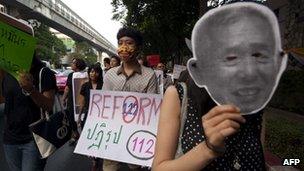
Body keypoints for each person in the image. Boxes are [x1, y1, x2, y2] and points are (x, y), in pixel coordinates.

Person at [152, 2, 284, 170]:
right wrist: (208, 149)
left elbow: (259, 154)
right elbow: (159, 167)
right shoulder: (178, 95)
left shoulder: (257, 104)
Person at [187, 2, 287, 114]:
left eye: (259, 55)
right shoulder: (182, 99)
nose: (250, 72)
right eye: (231, 58)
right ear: (198, 71)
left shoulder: (257, 113)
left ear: (280, 63)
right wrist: (202, 131)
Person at [102, 27, 158, 171]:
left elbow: (150, 111)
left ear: (138, 47)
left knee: (134, 168)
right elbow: (103, 107)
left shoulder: (149, 75)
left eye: (129, 43)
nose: (124, 47)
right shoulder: (109, 75)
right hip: (111, 134)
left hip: (135, 136)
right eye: (120, 43)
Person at [1, 53, 57, 171]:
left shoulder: (44, 72)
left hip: (34, 139)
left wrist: (31, 89)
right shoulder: (7, 73)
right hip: (10, 139)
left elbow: (48, 105)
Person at [77, 64, 103, 171]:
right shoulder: (85, 86)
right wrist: (79, 117)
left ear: (99, 73)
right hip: (88, 115)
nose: (93, 73)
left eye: (96, 71)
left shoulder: (104, 85)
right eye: (91, 71)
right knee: (90, 137)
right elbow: (82, 102)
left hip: (101, 116)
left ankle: (100, 156)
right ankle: (94, 160)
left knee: (100, 136)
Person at [62, 58, 87, 146]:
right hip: (84, 101)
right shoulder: (86, 75)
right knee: (84, 118)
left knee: (72, 119)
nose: (71, 65)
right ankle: (83, 137)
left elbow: (67, 89)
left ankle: (76, 134)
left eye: (73, 63)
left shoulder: (72, 75)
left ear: (77, 65)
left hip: (73, 102)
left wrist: (63, 99)